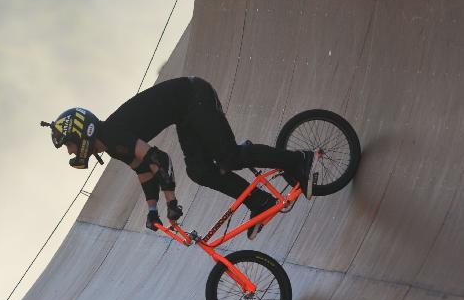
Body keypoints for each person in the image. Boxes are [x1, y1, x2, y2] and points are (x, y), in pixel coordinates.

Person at [45, 76, 315, 239]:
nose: (70, 152)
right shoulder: (113, 146)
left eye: (69, 144)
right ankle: (260, 201)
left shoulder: (114, 133)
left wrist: (171, 203)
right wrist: (153, 211)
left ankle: (298, 160)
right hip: (184, 115)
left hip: (195, 96)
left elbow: (160, 160)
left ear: (82, 133)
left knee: (228, 157)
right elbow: (145, 171)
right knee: (199, 171)